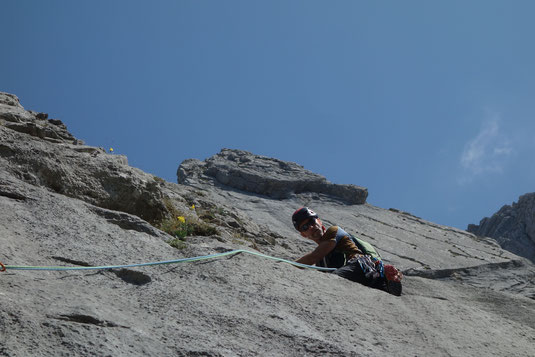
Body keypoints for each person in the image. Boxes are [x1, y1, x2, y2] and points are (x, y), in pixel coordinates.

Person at [292, 207, 403, 296]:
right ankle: (386, 283)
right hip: (365, 277)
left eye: (312, 221)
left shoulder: (333, 231)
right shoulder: (321, 262)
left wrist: (288, 266)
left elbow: (314, 256)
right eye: (305, 227)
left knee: (331, 280)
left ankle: (386, 279)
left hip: (360, 265)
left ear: (319, 221)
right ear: (303, 234)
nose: (311, 226)